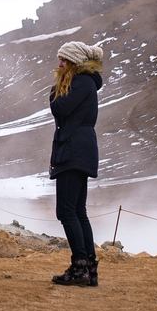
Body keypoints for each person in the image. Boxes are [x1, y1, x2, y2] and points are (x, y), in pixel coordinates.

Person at [48, 40, 105, 287]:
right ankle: (88, 268)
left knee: (67, 211)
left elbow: (60, 108)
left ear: (73, 62)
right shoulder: (86, 83)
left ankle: (80, 266)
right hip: (81, 150)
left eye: (63, 60)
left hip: (73, 150)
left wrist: (54, 91)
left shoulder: (80, 83)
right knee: (78, 211)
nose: (59, 64)